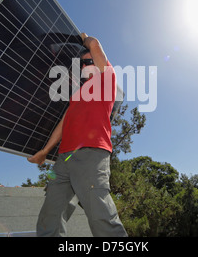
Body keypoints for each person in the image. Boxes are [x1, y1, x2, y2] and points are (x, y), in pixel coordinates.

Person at [27, 33, 127, 237]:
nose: (85, 66)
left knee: (101, 216)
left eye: (89, 61)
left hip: (91, 154)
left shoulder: (107, 82)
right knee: (50, 217)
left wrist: (84, 38)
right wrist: (45, 151)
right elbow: (64, 123)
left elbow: (95, 44)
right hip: (64, 158)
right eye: (82, 64)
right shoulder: (78, 94)